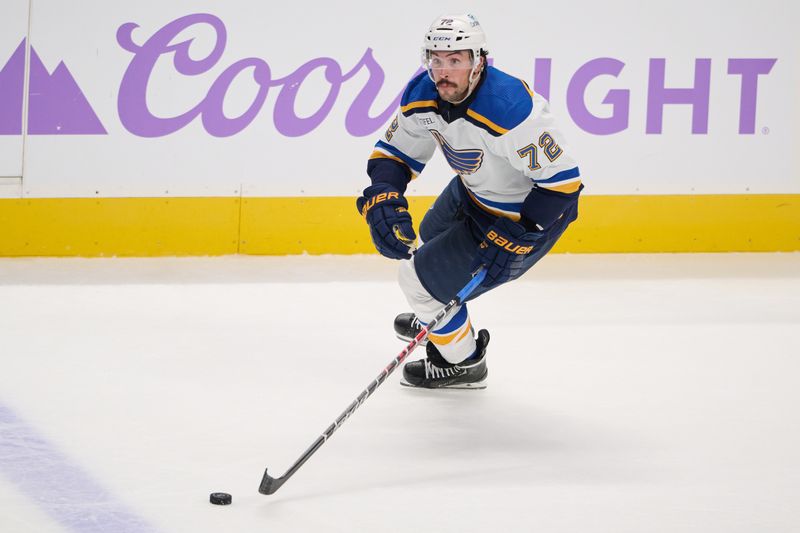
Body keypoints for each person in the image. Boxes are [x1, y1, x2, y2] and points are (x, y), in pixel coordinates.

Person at [357, 14, 583, 389]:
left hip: (526, 213)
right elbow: (394, 154)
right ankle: (443, 321)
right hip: (473, 192)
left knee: (415, 281)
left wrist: (522, 231)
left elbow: (563, 185)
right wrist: (384, 196)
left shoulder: (509, 109)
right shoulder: (422, 95)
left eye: (456, 60)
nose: (444, 71)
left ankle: (464, 363)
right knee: (428, 238)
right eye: (437, 59)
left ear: (479, 61)